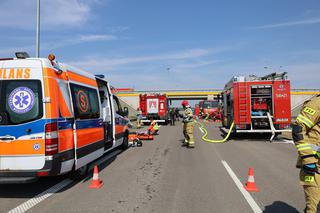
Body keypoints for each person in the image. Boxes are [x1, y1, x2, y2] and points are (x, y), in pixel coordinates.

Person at [292, 95, 320, 213]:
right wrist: (308, 159)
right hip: (314, 166)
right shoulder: (316, 103)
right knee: (314, 208)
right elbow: (298, 130)